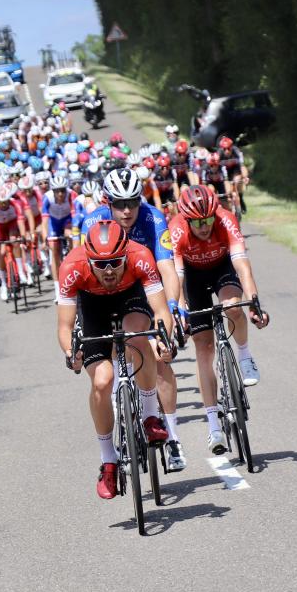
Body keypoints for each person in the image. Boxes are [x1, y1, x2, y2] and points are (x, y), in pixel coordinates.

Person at [56, 219, 175, 499]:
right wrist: (70, 353)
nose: (108, 271)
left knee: (137, 337)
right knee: (102, 381)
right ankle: (108, 460)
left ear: (126, 254)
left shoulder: (140, 257)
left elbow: (159, 312)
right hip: (92, 306)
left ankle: (149, 417)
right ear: (89, 259)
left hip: (130, 296)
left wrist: (163, 340)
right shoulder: (71, 267)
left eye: (115, 262)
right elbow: (64, 326)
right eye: (100, 264)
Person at [81, 167, 188, 471]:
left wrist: (171, 307)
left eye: (132, 202)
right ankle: (120, 410)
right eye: (119, 203)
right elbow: (84, 270)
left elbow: (166, 267)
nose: (127, 211)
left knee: (160, 356)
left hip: (145, 288)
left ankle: (172, 439)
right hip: (102, 292)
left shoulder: (154, 218)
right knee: (112, 356)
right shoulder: (91, 223)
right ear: (108, 202)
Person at [170, 185, 270, 454]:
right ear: (187, 220)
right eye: (198, 222)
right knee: (203, 348)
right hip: (192, 276)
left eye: (208, 220)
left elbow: (242, 266)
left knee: (233, 307)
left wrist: (255, 301)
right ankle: (214, 426)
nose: (204, 227)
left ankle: (245, 356)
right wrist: (180, 313)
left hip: (221, 268)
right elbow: (176, 279)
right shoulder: (177, 229)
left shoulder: (226, 219)